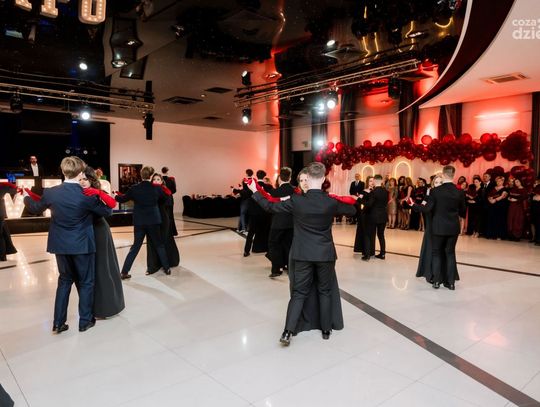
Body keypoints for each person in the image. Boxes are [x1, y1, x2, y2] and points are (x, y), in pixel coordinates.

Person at [248, 162, 357, 345]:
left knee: (298, 293)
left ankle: (287, 332)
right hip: (325, 254)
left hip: (302, 253)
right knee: (324, 291)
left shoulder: (297, 201)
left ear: (309, 178)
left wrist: (255, 191)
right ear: (323, 179)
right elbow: (352, 210)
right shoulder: (330, 202)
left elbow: (269, 207)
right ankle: (326, 330)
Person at [23, 156, 112, 333]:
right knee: (86, 282)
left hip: (60, 245)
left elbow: (34, 208)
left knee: (64, 281)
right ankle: (85, 321)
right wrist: (99, 194)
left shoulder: (51, 192)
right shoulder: (86, 194)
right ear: (80, 172)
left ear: (64, 171)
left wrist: (26, 197)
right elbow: (107, 211)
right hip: (82, 245)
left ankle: (58, 323)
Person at [80, 167, 125, 319]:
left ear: (92, 180)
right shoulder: (76, 193)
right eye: (80, 179)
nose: (82, 182)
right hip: (84, 232)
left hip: (99, 232)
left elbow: (110, 209)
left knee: (103, 268)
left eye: (85, 179)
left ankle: (107, 307)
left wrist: (98, 193)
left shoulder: (96, 193)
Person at [410, 166, 466, 290]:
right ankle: (451, 283)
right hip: (453, 227)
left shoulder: (435, 191)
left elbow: (427, 209)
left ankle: (436, 282)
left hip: (438, 226)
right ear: (453, 175)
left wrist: (413, 205)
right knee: (450, 253)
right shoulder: (460, 192)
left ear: (444, 174)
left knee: (436, 253)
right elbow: (463, 211)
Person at [115, 165, 171, 279]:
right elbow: (166, 198)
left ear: (141, 176)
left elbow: (122, 199)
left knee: (135, 247)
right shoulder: (157, 188)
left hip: (139, 222)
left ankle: (124, 272)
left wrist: (116, 196)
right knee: (159, 245)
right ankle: (167, 268)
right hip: (154, 220)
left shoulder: (134, 188)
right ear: (151, 176)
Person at [146, 173, 180, 273]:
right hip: (152, 220)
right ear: (151, 181)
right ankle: (153, 266)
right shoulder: (149, 191)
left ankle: (167, 262)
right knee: (152, 242)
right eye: (154, 179)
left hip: (163, 219)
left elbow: (168, 205)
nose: (156, 181)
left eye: (158, 179)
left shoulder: (166, 191)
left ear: (161, 181)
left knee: (164, 241)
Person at [267, 167, 296, 278]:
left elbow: (269, 207)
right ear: (290, 177)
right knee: (289, 244)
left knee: (274, 244)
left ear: (280, 178)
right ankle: (289, 267)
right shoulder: (295, 191)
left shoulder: (274, 192)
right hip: (291, 223)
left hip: (277, 223)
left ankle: (276, 269)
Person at [243, 169, 273, 256]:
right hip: (265, 212)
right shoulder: (269, 187)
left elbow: (246, 196)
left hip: (254, 213)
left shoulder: (252, 186)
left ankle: (246, 251)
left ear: (256, 176)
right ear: (264, 177)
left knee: (251, 232)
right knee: (267, 231)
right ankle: (268, 249)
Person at [364, 175, 388, 260]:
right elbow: (385, 203)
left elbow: (369, 204)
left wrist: (359, 200)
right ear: (381, 181)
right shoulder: (385, 191)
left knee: (368, 234)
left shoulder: (373, 192)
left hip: (374, 216)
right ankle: (382, 254)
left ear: (374, 181)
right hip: (383, 215)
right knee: (381, 235)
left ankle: (367, 255)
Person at [0, 182, 18, 261]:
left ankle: (2, 256)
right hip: (1, 214)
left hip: (0, 215)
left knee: (1, 235)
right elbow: (15, 190)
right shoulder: (1, 187)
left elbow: (15, 190)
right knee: (2, 234)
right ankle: (2, 256)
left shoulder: (1, 187)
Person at [161, 166, 178, 236]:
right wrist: (169, 193)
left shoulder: (159, 180)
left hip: (162, 200)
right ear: (167, 171)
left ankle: (163, 231)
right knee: (170, 216)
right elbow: (174, 190)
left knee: (162, 215)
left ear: (162, 171)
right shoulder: (171, 180)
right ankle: (172, 231)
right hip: (169, 199)